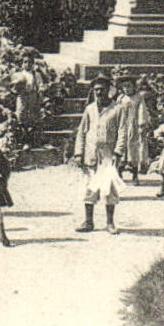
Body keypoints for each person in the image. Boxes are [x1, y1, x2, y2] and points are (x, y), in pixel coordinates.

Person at [69, 79, 129, 234]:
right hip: (90, 153)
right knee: (90, 187)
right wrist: (78, 153)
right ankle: (88, 222)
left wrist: (118, 152)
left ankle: (110, 223)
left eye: (102, 89)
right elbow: (82, 132)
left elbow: (123, 132)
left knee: (109, 189)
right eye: (96, 89)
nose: (99, 92)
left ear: (109, 90)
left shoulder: (118, 109)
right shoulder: (89, 109)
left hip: (108, 155)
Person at [115, 76, 151, 186]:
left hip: (133, 126)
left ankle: (135, 174)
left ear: (134, 87)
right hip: (121, 126)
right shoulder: (121, 98)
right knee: (121, 148)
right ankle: (119, 173)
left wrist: (141, 124)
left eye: (129, 86)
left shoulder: (138, 98)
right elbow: (116, 110)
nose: (127, 89)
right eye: (124, 86)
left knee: (133, 149)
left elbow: (142, 111)